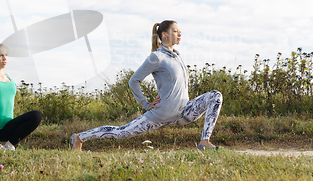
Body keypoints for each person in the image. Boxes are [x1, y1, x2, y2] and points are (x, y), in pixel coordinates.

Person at [71, 20, 222, 151]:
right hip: (160, 115)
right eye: (175, 31)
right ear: (165, 35)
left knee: (215, 95)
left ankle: (204, 141)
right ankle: (80, 137)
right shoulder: (156, 57)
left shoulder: (178, 57)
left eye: (180, 31)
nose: (179, 34)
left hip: (183, 114)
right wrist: (145, 103)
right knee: (121, 133)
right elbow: (133, 81)